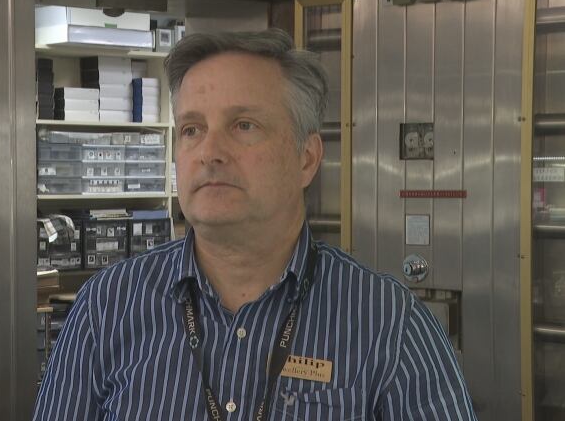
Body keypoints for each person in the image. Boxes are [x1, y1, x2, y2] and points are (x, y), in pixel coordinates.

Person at [33, 29, 477, 421]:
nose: (210, 152)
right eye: (192, 129)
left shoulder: (390, 326)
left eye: (243, 126)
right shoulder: (107, 308)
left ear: (306, 159)